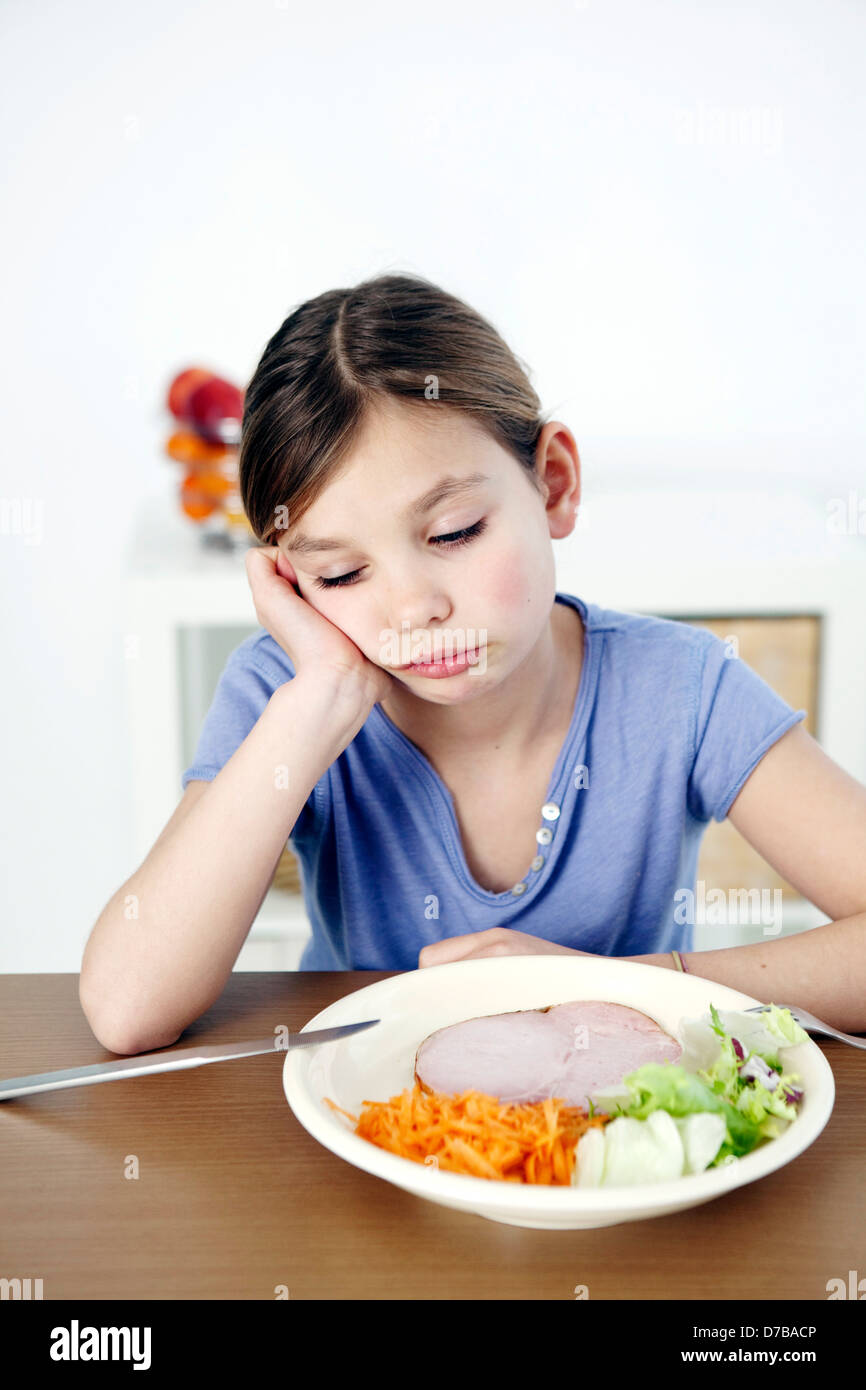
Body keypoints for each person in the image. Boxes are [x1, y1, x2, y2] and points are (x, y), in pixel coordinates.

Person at [80, 274, 866, 1054]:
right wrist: (319, 700)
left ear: (552, 482)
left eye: (454, 532)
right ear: (289, 579)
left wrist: (621, 985)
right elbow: (126, 1007)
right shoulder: (284, 696)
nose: (413, 607)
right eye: (342, 576)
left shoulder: (684, 689)